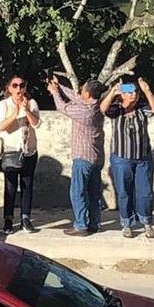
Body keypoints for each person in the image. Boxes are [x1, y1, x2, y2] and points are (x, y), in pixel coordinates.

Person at [100, 76, 154, 239]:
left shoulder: (141, 109)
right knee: (124, 192)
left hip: (142, 158)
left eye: (135, 92)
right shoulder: (115, 110)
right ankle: (127, 223)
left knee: (145, 192)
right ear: (122, 94)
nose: (134, 94)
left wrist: (146, 90)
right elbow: (103, 109)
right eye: (129, 92)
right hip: (121, 158)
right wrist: (112, 92)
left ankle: (146, 222)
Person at [49, 75, 106, 236]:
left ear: (88, 94)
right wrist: (59, 86)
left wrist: (55, 93)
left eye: (83, 89)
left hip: (83, 157)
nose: (80, 91)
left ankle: (81, 224)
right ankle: (94, 223)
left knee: (78, 192)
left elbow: (62, 107)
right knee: (94, 193)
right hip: (96, 157)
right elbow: (76, 97)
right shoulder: (97, 106)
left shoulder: (85, 112)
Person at [0, 75, 40, 234]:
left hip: (29, 151)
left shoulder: (32, 103)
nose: (19, 89)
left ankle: (25, 218)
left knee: (27, 185)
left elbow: (36, 123)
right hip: (11, 151)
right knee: (10, 187)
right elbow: (2, 126)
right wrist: (15, 111)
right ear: (9, 88)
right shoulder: (4, 105)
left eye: (22, 85)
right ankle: (8, 219)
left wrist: (26, 109)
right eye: (15, 86)